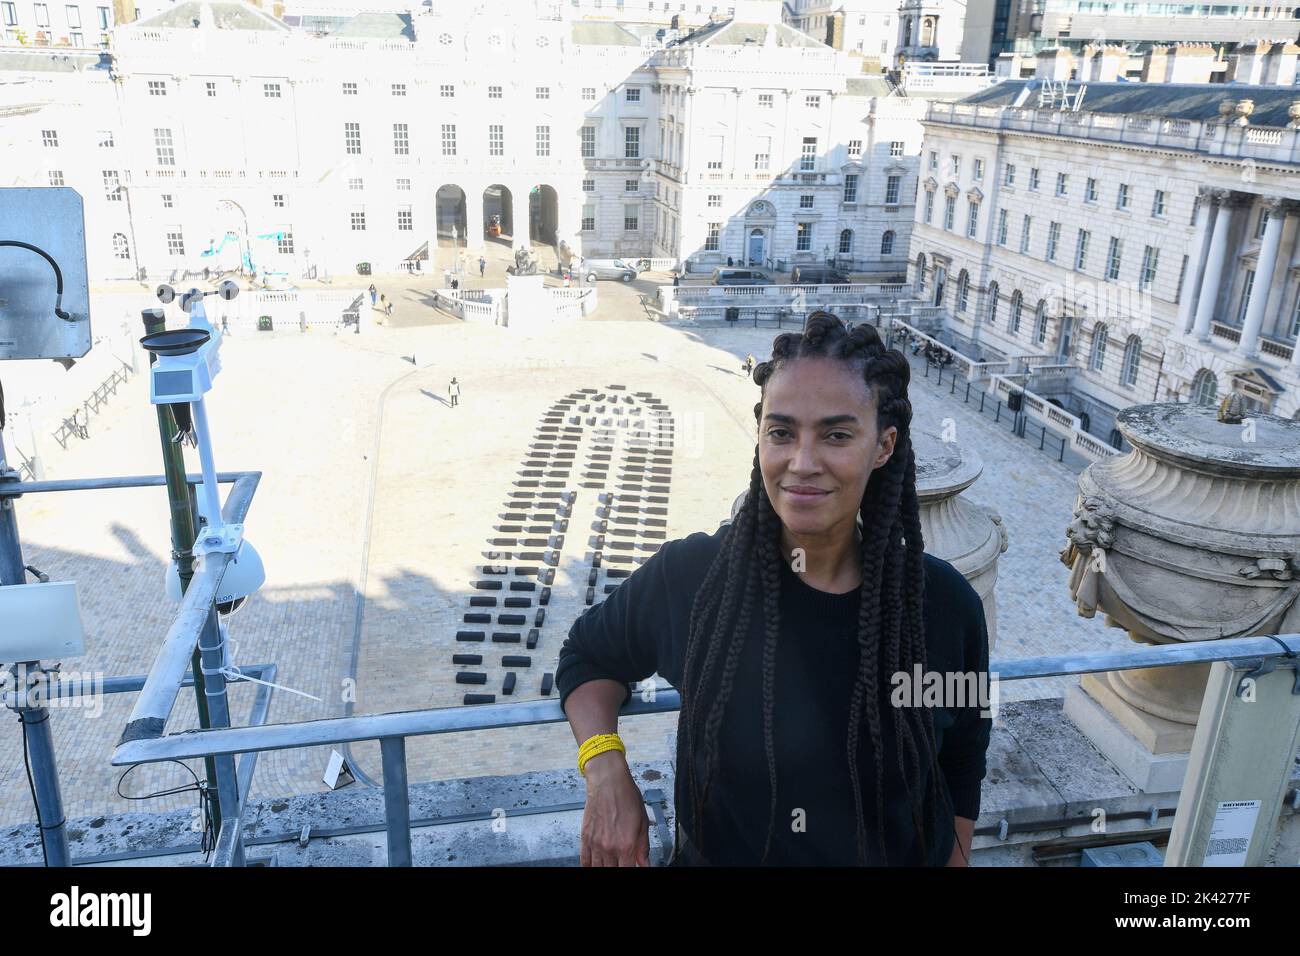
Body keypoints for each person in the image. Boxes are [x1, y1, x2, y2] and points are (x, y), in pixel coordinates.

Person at [555, 313, 991, 867]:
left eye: (836, 435)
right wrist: (605, 768)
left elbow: (961, 758)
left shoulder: (944, 606)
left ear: (883, 446)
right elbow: (587, 656)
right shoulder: (695, 578)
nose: (802, 463)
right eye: (782, 432)